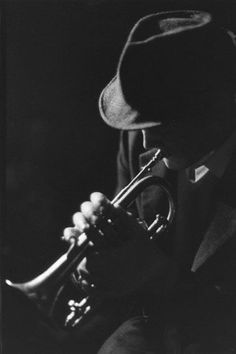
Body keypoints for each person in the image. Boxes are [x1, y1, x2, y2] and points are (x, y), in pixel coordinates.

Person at [62, 10, 236, 353]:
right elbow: (132, 276)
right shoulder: (145, 131)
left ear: (221, 106)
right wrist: (99, 260)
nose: (145, 143)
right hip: (158, 318)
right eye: (142, 124)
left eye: (164, 124)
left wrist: (156, 275)